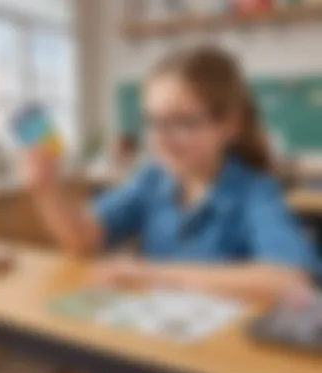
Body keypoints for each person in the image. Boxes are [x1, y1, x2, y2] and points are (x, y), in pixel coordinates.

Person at [24, 46, 315, 302]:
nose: (162, 139)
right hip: (160, 338)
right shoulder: (151, 179)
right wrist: (46, 190)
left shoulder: (255, 192)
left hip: (218, 355)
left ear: (230, 124)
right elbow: (83, 242)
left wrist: (152, 275)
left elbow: (289, 282)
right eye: (153, 121)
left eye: (183, 122)